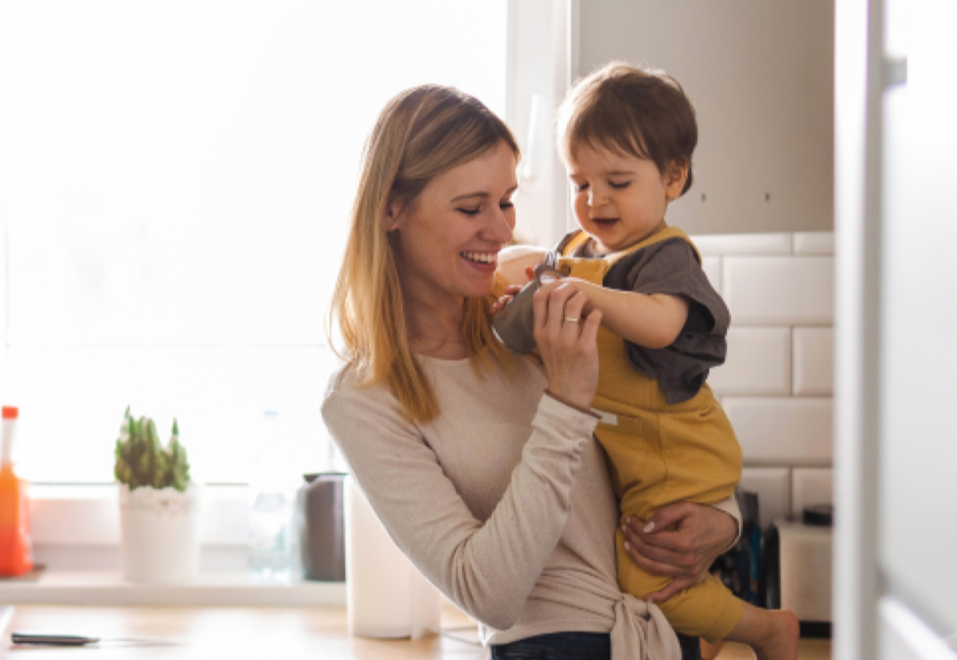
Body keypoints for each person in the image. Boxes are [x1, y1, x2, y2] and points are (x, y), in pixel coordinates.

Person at [322, 84, 761, 660]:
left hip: (666, 635)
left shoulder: (531, 302)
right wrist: (566, 401)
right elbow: (488, 592)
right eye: (470, 208)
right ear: (392, 210)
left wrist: (719, 521)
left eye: (506, 201)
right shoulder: (363, 398)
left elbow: (672, 418)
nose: (502, 231)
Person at [497, 62, 800, 660]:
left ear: (673, 177)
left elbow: (663, 323)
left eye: (616, 181)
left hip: (677, 450)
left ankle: (765, 628)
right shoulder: (583, 249)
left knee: (648, 579)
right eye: (580, 182)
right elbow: (542, 272)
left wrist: (583, 292)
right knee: (658, 570)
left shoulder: (665, 255)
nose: (594, 200)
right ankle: (710, 627)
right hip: (639, 449)